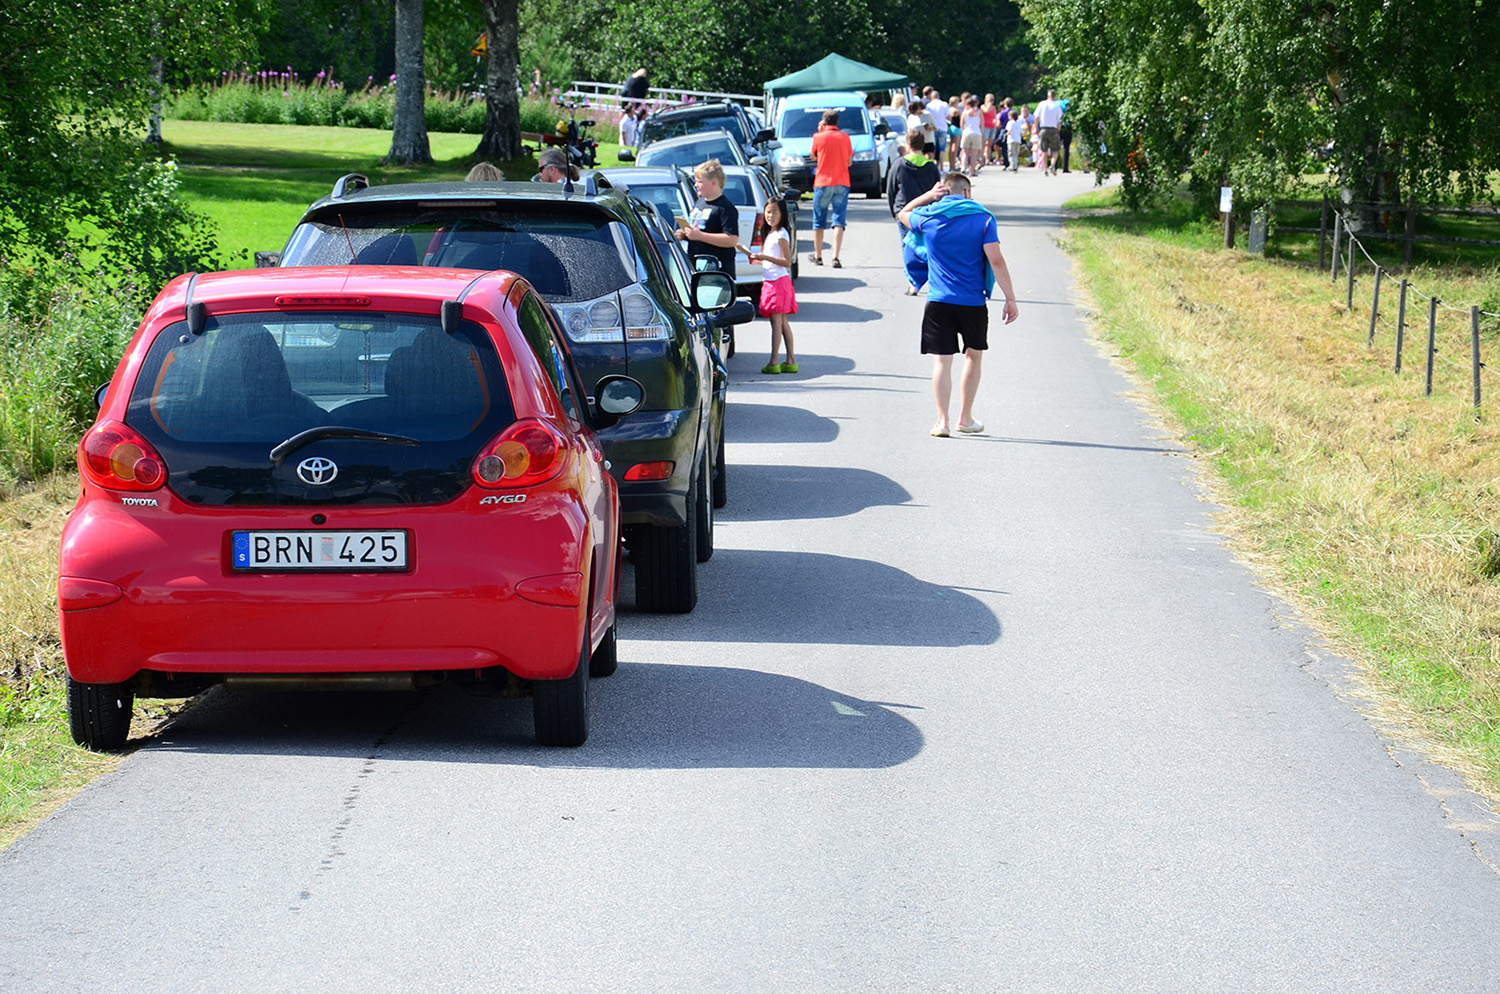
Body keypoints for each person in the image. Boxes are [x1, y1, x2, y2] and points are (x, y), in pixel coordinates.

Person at [898, 172, 1019, 437]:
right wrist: (1010, 298)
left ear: (944, 191)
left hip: (938, 301)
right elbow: (996, 261)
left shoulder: (929, 217)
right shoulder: (983, 218)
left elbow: (903, 212)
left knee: (942, 362)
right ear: (966, 192)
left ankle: (942, 422)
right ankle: (965, 418)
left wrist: (929, 196)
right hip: (973, 302)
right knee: (973, 357)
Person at [740, 197, 797, 374]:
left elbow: (787, 262)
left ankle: (774, 362)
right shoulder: (771, 234)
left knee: (776, 323)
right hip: (772, 281)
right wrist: (757, 260)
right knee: (783, 323)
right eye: (768, 212)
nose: (771, 215)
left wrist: (764, 257)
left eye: (775, 212)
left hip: (778, 282)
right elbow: (771, 263)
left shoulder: (781, 235)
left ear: (783, 214)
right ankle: (790, 361)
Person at [887, 127, 941, 295]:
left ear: (908, 144)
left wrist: (893, 211)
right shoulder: (931, 167)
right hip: (926, 213)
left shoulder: (899, 164)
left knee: (907, 245)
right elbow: (937, 192)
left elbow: (891, 189)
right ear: (923, 145)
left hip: (904, 211)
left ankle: (912, 283)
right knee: (929, 246)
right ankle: (932, 278)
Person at [676, 158, 739, 280]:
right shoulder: (699, 202)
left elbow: (732, 240)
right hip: (697, 267)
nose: (696, 185)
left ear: (714, 182)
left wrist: (700, 236)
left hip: (716, 271)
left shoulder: (725, 207)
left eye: (700, 181)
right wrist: (685, 234)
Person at [808, 108, 853, 268]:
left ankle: (818, 256)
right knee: (839, 220)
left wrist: (820, 130)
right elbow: (849, 161)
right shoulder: (845, 138)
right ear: (837, 122)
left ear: (824, 121)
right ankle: (835, 257)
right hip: (842, 181)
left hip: (822, 181)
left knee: (818, 220)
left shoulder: (818, 137)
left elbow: (813, 156)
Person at [1035, 89, 1065, 175]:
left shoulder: (1042, 104)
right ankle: (1052, 165)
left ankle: (1045, 170)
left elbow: (1036, 117)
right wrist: (1058, 130)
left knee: (1044, 150)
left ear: (1048, 96)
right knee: (1055, 150)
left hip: (1043, 128)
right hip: (1053, 129)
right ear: (1055, 97)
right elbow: (1059, 121)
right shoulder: (1057, 107)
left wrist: (1037, 127)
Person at [960, 97, 984, 175]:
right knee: (974, 154)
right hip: (976, 133)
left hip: (967, 132)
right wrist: (981, 132)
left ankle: (963, 167)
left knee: (965, 152)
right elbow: (982, 123)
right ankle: (971, 171)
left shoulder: (965, 112)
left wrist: (963, 131)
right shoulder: (979, 112)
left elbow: (962, 123)